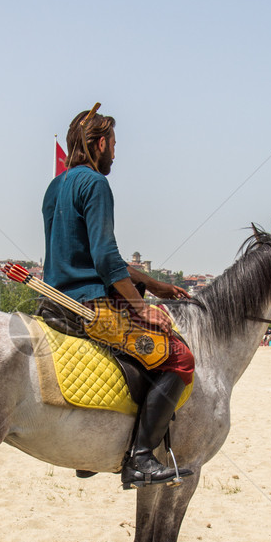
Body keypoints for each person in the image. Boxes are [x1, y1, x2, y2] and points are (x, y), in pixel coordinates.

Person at [42, 105, 194, 488]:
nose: (115, 153)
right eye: (113, 144)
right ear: (99, 143)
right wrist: (145, 309)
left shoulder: (55, 186)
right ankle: (140, 458)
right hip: (90, 307)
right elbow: (106, 258)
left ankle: (91, 448)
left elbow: (88, 254)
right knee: (179, 358)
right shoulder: (95, 184)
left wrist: (154, 284)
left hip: (55, 303)